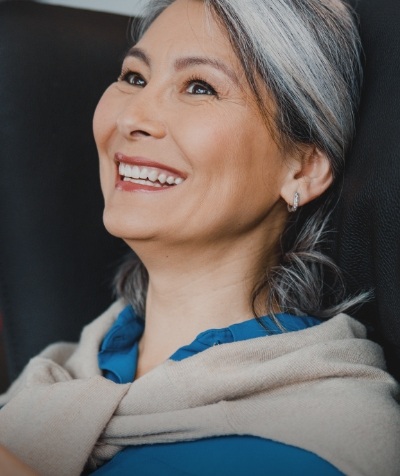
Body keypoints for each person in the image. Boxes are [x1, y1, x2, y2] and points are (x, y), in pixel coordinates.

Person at [0, 0, 399, 475]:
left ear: (304, 167)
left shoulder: (321, 442)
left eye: (199, 87)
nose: (133, 119)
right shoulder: (69, 370)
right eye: (134, 77)